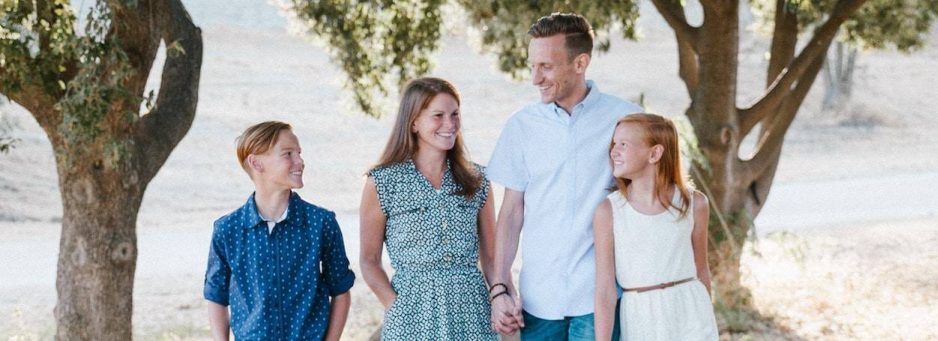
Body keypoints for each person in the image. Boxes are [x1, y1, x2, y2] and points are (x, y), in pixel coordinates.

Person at [487, 12, 643, 340]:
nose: (535, 78)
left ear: (580, 62)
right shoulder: (521, 127)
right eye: (533, 65)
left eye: (546, 66)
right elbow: (511, 212)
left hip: (601, 299)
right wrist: (500, 288)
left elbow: (648, 202)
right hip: (538, 301)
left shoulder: (626, 120)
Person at [359, 77, 499, 340]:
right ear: (414, 122)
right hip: (412, 312)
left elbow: (491, 258)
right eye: (438, 115)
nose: (450, 124)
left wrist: (501, 297)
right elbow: (368, 261)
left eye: (455, 114)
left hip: (471, 310)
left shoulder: (477, 180)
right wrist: (396, 306)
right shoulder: (383, 182)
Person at [204, 121, 356, 341]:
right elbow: (216, 295)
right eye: (288, 154)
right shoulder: (227, 230)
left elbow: (341, 289)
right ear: (256, 163)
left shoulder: (321, 223)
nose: (300, 162)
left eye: (299, 153)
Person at [593, 113, 719, 340]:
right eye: (614, 144)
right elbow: (605, 289)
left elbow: (701, 269)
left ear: (654, 153)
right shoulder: (609, 211)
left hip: (691, 316)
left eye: (624, 144)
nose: (614, 151)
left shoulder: (694, 203)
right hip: (641, 318)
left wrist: (706, 319)